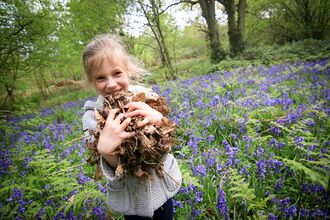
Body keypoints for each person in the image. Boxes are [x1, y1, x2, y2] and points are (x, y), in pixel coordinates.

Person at [81, 34, 182, 219]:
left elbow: (166, 143)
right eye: (101, 78)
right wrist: (106, 152)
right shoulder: (92, 117)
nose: (111, 84)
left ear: (128, 70)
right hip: (131, 200)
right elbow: (119, 168)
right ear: (92, 81)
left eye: (117, 73)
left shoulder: (146, 98)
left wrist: (159, 120)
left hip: (162, 190)